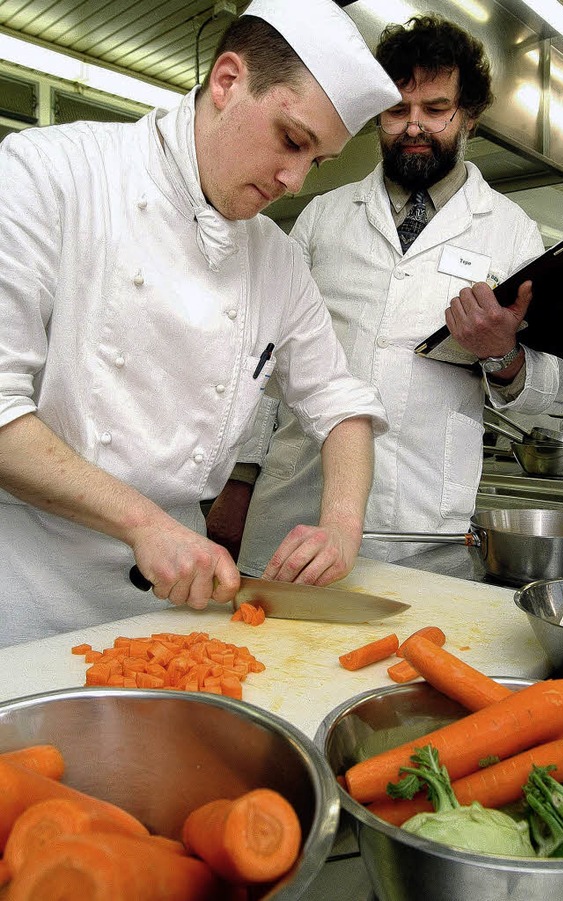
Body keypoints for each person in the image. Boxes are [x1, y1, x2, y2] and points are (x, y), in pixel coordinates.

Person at [0, 0, 402, 646]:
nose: (294, 181)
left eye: (317, 162)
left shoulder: (276, 258)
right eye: (292, 140)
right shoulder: (48, 175)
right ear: (227, 82)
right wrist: (142, 521)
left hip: (177, 603)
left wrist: (341, 522)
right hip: (25, 601)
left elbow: (342, 403)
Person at [209, 13, 563, 571]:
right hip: (298, 508)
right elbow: (263, 361)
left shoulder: (510, 230)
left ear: (467, 115)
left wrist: (503, 354)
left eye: (436, 110)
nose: (414, 127)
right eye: (397, 110)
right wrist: (240, 481)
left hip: (421, 527)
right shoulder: (322, 218)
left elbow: (549, 397)